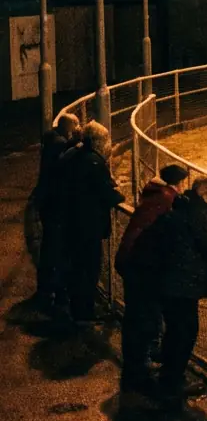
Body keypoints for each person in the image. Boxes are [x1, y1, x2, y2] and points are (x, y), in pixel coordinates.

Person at [151, 178, 207, 406]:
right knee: (185, 332)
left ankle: (170, 377)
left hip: (170, 281)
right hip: (184, 285)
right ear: (206, 194)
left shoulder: (182, 206)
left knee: (175, 330)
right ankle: (172, 383)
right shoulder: (200, 212)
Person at [115, 163, 189, 393]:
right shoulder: (167, 201)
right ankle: (138, 372)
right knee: (143, 320)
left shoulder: (154, 196)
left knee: (142, 318)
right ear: (179, 183)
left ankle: (139, 365)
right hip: (142, 268)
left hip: (134, 263)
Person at [57, 122, 123, 326]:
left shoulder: (74, 155)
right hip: (87, 226)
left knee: (77, 268)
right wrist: (119, 194)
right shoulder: (94, 162)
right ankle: (84, 313)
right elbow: (106, 193)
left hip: (72, 222)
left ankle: (77, 309)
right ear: (97, 142)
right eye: (106, 140)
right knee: (87, 269)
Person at [34, 113, 80, 306]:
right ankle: (50, 289)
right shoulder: (59, 144)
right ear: (69, 127)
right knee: (54, 247)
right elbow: (62, 164)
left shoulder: (52, 139)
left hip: (46, 202)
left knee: (49, 246)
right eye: (76, 125)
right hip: (53, 205)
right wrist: (75, 147)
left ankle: (46, 287)